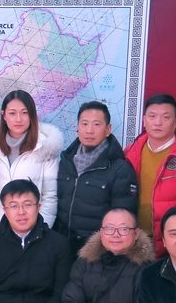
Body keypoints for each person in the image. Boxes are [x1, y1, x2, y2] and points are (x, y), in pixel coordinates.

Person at [124, 94, 176, 257]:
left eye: (166, 117)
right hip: (133, 240)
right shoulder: (130, 152)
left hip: (170, 245)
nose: (157, 122)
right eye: (152, 116)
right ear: (144, 120)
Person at [55, 101, 138, 255]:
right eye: (84, 124)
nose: (89, 130)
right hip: (62, 245)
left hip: (98, 251)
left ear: (108, 130)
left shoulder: (120, 169)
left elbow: (123, 219)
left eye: (96, 124)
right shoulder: (66, 162)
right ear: (77, 128)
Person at [0, 89, 62, 232]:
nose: (18, 119)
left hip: (31, 230)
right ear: (4, 115)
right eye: (12, 113)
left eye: (25, 113)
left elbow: (50, 197)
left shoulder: (45, 147)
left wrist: (39, 231)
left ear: (32, 115)